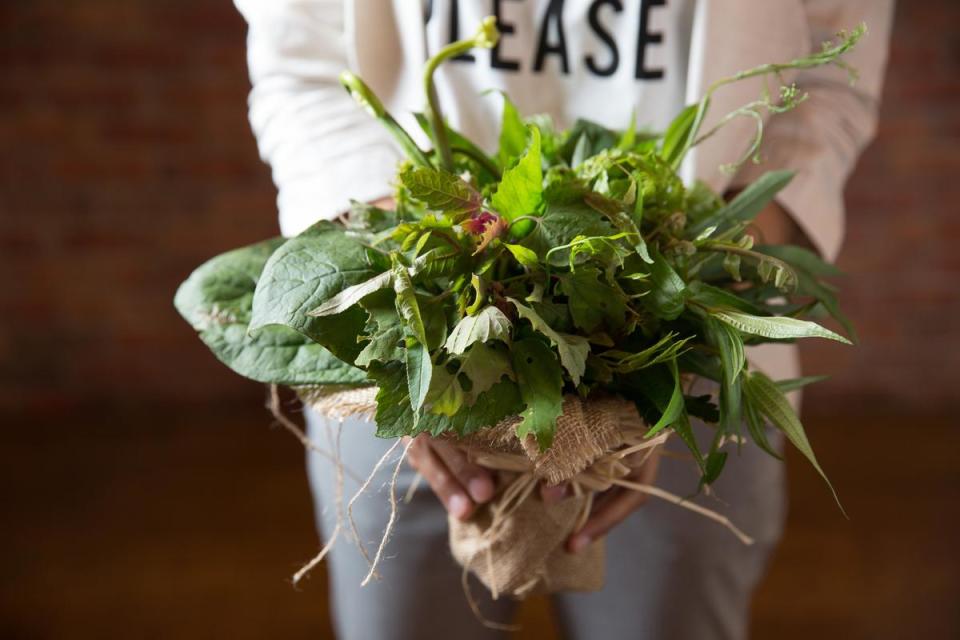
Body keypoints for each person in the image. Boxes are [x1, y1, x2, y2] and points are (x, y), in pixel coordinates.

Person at [232, 1, 893, 638]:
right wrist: (423, 320)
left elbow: (829, 77)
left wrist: (673, 316)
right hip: (412, 357)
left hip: (690, 364)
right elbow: (304, 61)